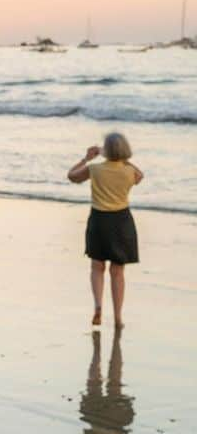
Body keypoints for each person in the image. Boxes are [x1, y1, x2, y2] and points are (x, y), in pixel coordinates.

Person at [67, 132, 142, 328]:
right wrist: (124, 159)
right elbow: (140, 175)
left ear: (106, 151)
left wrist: (88, 158)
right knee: (117, 271)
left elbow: (72, 176)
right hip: (121, 221)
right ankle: (118, 317)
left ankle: (98, 307)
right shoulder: (128, 172)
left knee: (97, 267)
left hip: (99, 221)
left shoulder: (95, 169)